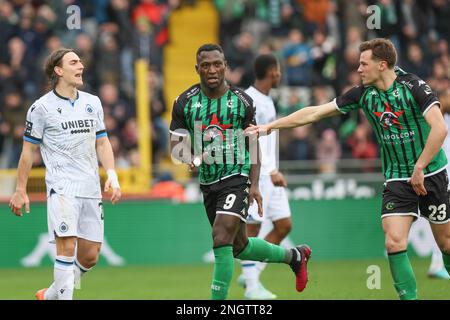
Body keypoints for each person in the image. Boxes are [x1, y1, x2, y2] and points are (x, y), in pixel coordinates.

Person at [246, 38, 450, 300]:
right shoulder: (363, 94)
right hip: (397, 178)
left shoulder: (414, 86)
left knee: (445, 244)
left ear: (382, 64)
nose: (359, 69)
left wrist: (420, 166)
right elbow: (315, 113)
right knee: (393, 242)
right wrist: (269, 127)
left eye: (364, 64)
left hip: (431, 173)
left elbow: (440, 129)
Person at [169, 44, 311, 300]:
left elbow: (253, 144)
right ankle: (294, 256)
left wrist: (254, 185)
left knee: (221, 236)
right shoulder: (184, 102)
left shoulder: (242, 101)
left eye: (217, 64)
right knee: (239, 246)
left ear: (225, 66)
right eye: (205, 65)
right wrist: (189, 158)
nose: (212, 70)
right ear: (197, 69)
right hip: (208, 182)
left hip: (237, 176)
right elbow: (177, 146)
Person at [9, 48, 122, 300]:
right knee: (67, 247)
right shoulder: (41, 108)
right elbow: (28, 152)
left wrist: (112, 175)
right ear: (58, 71)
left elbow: (102, 142)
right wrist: (20, 189)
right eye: (73, 62)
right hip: (62, 188)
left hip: (91, 188)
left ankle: (49, 295)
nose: (80, 65)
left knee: (90, 256)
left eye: (80, 61)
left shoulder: (93, 103)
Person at [236, 53, 295, 300]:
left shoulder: (267, 101)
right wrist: (270, 170)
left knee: (283, 225)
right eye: (278, 70)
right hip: (258, 176)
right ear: (272, 71)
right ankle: (251, 287)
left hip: (270, 174)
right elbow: (251, 140)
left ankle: (252, 273)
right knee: (253, 229)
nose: (280, 74)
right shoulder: (251, 100)